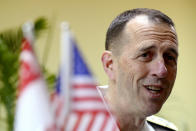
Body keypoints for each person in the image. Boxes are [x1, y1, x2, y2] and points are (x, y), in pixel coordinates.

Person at [100, 8, 178, 131]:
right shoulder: (66, 123)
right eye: (145, 55)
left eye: (170, 57)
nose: (162, 71)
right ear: (110, 64)